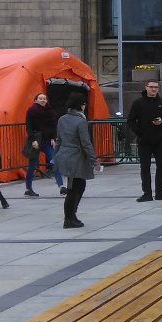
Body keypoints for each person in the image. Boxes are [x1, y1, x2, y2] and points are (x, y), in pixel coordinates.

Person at [55, 93, 99, 227]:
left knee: (76, 186)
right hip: (76, 156)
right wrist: (94, 161)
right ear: (81, 105)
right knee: (74, 188)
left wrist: (56, 156)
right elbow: (86, 143)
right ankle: (69, 218)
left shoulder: (62, 119)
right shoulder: (81, 121)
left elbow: (58, 139)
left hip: (64, 154)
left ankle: (71, 215)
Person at [127, 80, 162, 202]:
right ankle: (147, 193)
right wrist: (139, 132)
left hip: (160, 140)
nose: (154, 89)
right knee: (145, 167)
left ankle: (160, 192)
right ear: (146, 87)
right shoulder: (138, 103)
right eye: (151, 87)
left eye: (156, 87)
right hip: (144, 140)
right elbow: (131, 120)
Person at [24, 92, 64, 197]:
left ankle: (61, 186)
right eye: (40, 98)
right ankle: (28, 188)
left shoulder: (50, 112)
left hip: (46, 140)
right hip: (36, 140)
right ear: (36, 100)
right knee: (32, 165)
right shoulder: (32, 111)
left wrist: (53, 138)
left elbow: (53, 126)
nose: (42, 100)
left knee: (53, 161)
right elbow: (29, 126)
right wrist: (33, 140)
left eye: (44, 99)